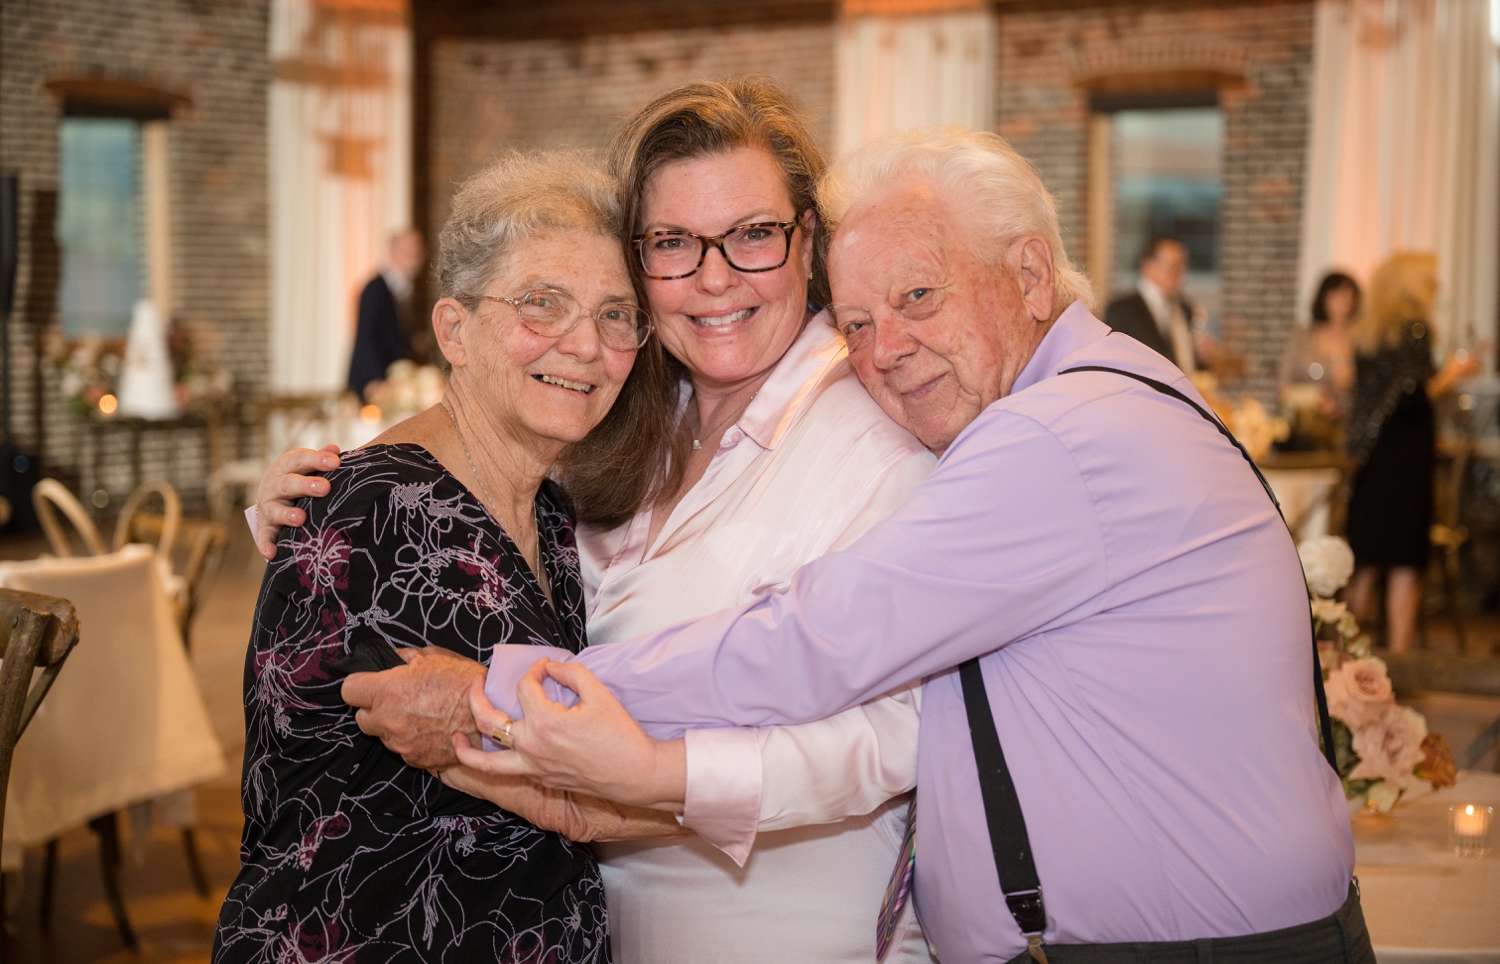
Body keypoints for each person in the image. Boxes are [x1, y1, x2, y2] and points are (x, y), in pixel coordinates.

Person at [332, 128, 1373, 964]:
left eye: (919, 297)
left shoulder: (1047, 434)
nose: (885, 352)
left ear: (1028, 273)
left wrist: (508, 699)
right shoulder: (649, 417)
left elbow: (815, 643)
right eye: (862, 320)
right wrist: (347, 480)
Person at [255, 76, 937, 964]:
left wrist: (651, 777)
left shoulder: (876, 437)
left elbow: (900, 732)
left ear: (808, 243)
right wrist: (318, 504)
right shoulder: (629, 431)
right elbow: (455, 518)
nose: (714, 276)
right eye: (673, 244)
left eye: (753, 235)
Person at [214, 151, 668, 964]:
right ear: (455, 330)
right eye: (542, 304)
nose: (585, 345)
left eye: (616, 314)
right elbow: (575, 781)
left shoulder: (554, 509)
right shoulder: (371, 510)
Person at [1343, 253, 1479, 652]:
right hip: (1405, 459)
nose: (1436, 289)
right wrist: (1454, 374)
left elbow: (1369, 401)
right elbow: (1413, 398)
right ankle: (1399, 668)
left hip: (1371, 457)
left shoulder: (1367, 332)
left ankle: (1347, 666)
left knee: (1364, 564)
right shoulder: (1416, 330)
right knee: (1405, 564)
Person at [1104, 237, 1213, 376]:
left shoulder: (1185, 308)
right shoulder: (1122, 310)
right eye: (1172, 266)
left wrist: (1201, 355)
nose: (1179, 273)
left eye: (1183, 266)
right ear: (1147, 266)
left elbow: (1186, 362)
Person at [1277, 271, 1361, 449]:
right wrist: (1314, 399)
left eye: (1349, 296)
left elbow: (1365, 392)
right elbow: (1283, 384)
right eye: (1338, 295)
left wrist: (1340, 404)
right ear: (1324, 297)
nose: (1344, 303)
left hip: (1344, 433)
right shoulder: (1303, 337)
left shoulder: (1360, 342)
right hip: (1304, 430)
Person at [348, 226, 426, 400]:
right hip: (374, 385)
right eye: (410, 250)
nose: (417, 255)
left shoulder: (404, 290)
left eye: (418, 250)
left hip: (394, 384)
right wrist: (375, 381)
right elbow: (365, 337)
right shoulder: (374, 289)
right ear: (394, 251)